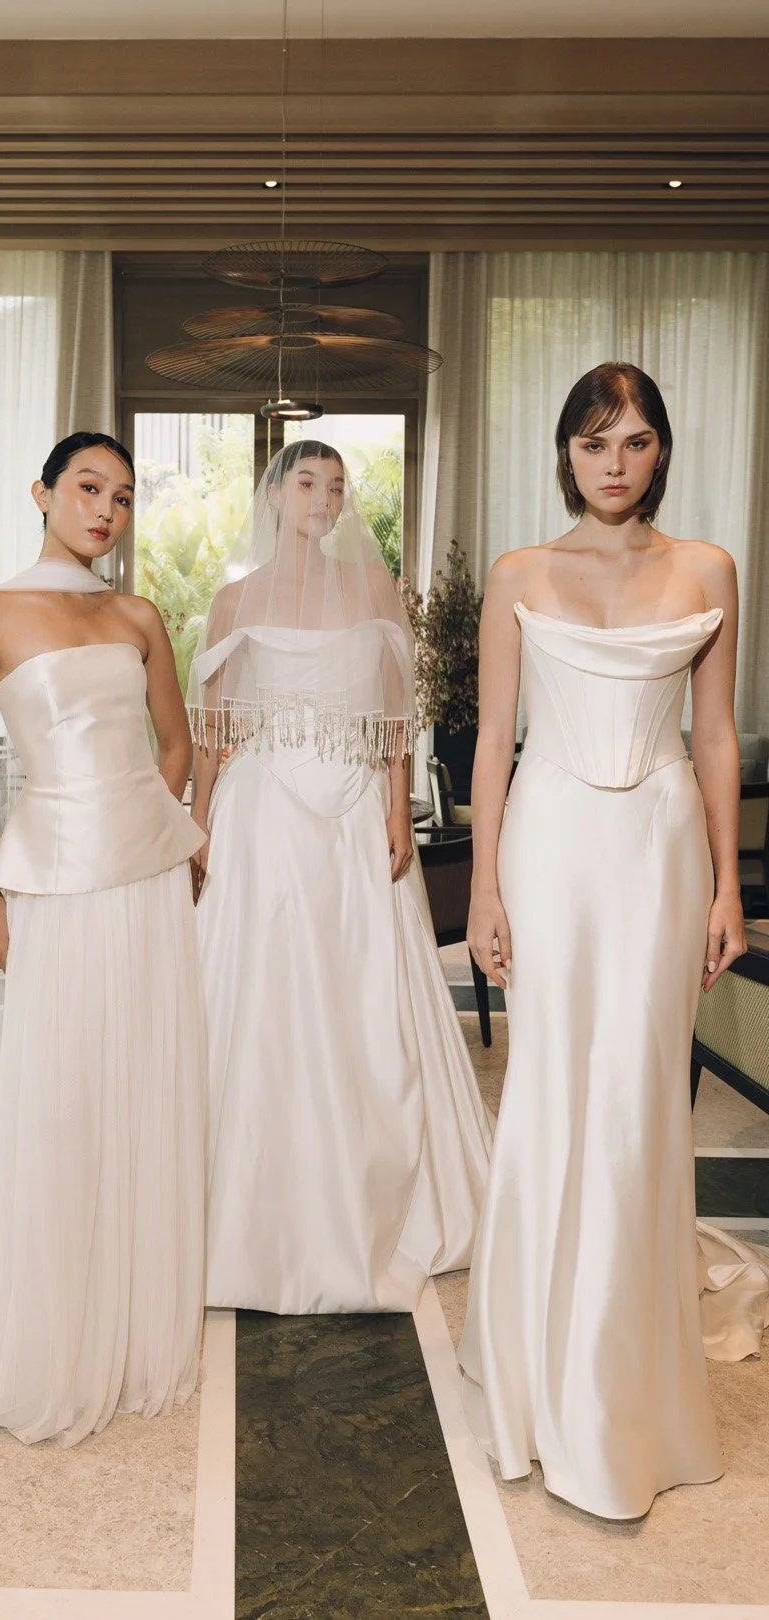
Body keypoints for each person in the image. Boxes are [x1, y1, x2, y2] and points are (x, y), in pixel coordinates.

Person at [461, 361, 768, 1520]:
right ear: (566, 453)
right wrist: (485, 887)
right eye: (595, 443)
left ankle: (621, 1374)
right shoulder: (519, 574)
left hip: (659, 843)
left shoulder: (707, 569)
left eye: (635, 442)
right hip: (549, 843)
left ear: (661, 452)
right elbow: (493, 741)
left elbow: (721, 736)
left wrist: (725, 888)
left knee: (642, 1091)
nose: (615, 463)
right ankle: (535, 1347)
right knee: (548, 1080)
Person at [0, 431, 207, 1447]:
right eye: (88, 489)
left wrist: (149, 826)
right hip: (49, 882)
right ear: (42, 492)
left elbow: (177, 745)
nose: (106, 512)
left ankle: (129, 1321)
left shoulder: (138, 614)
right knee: (64, 1091)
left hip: (147, 879)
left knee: (142, 1084)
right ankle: (56, 1326)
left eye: (122, 497)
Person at [189, 440, 492, 1315]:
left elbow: (394, 716)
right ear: (277, 493)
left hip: (355, 807)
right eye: (307, 482)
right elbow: (215, 728)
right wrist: (200, 825)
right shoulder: (234, 600)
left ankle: (373, 1188)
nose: (323, 497)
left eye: (336, 485)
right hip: (263, 816)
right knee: (262, 993)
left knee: (361, 991)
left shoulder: (373, 588)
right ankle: (250, 1196)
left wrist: (398, 808)